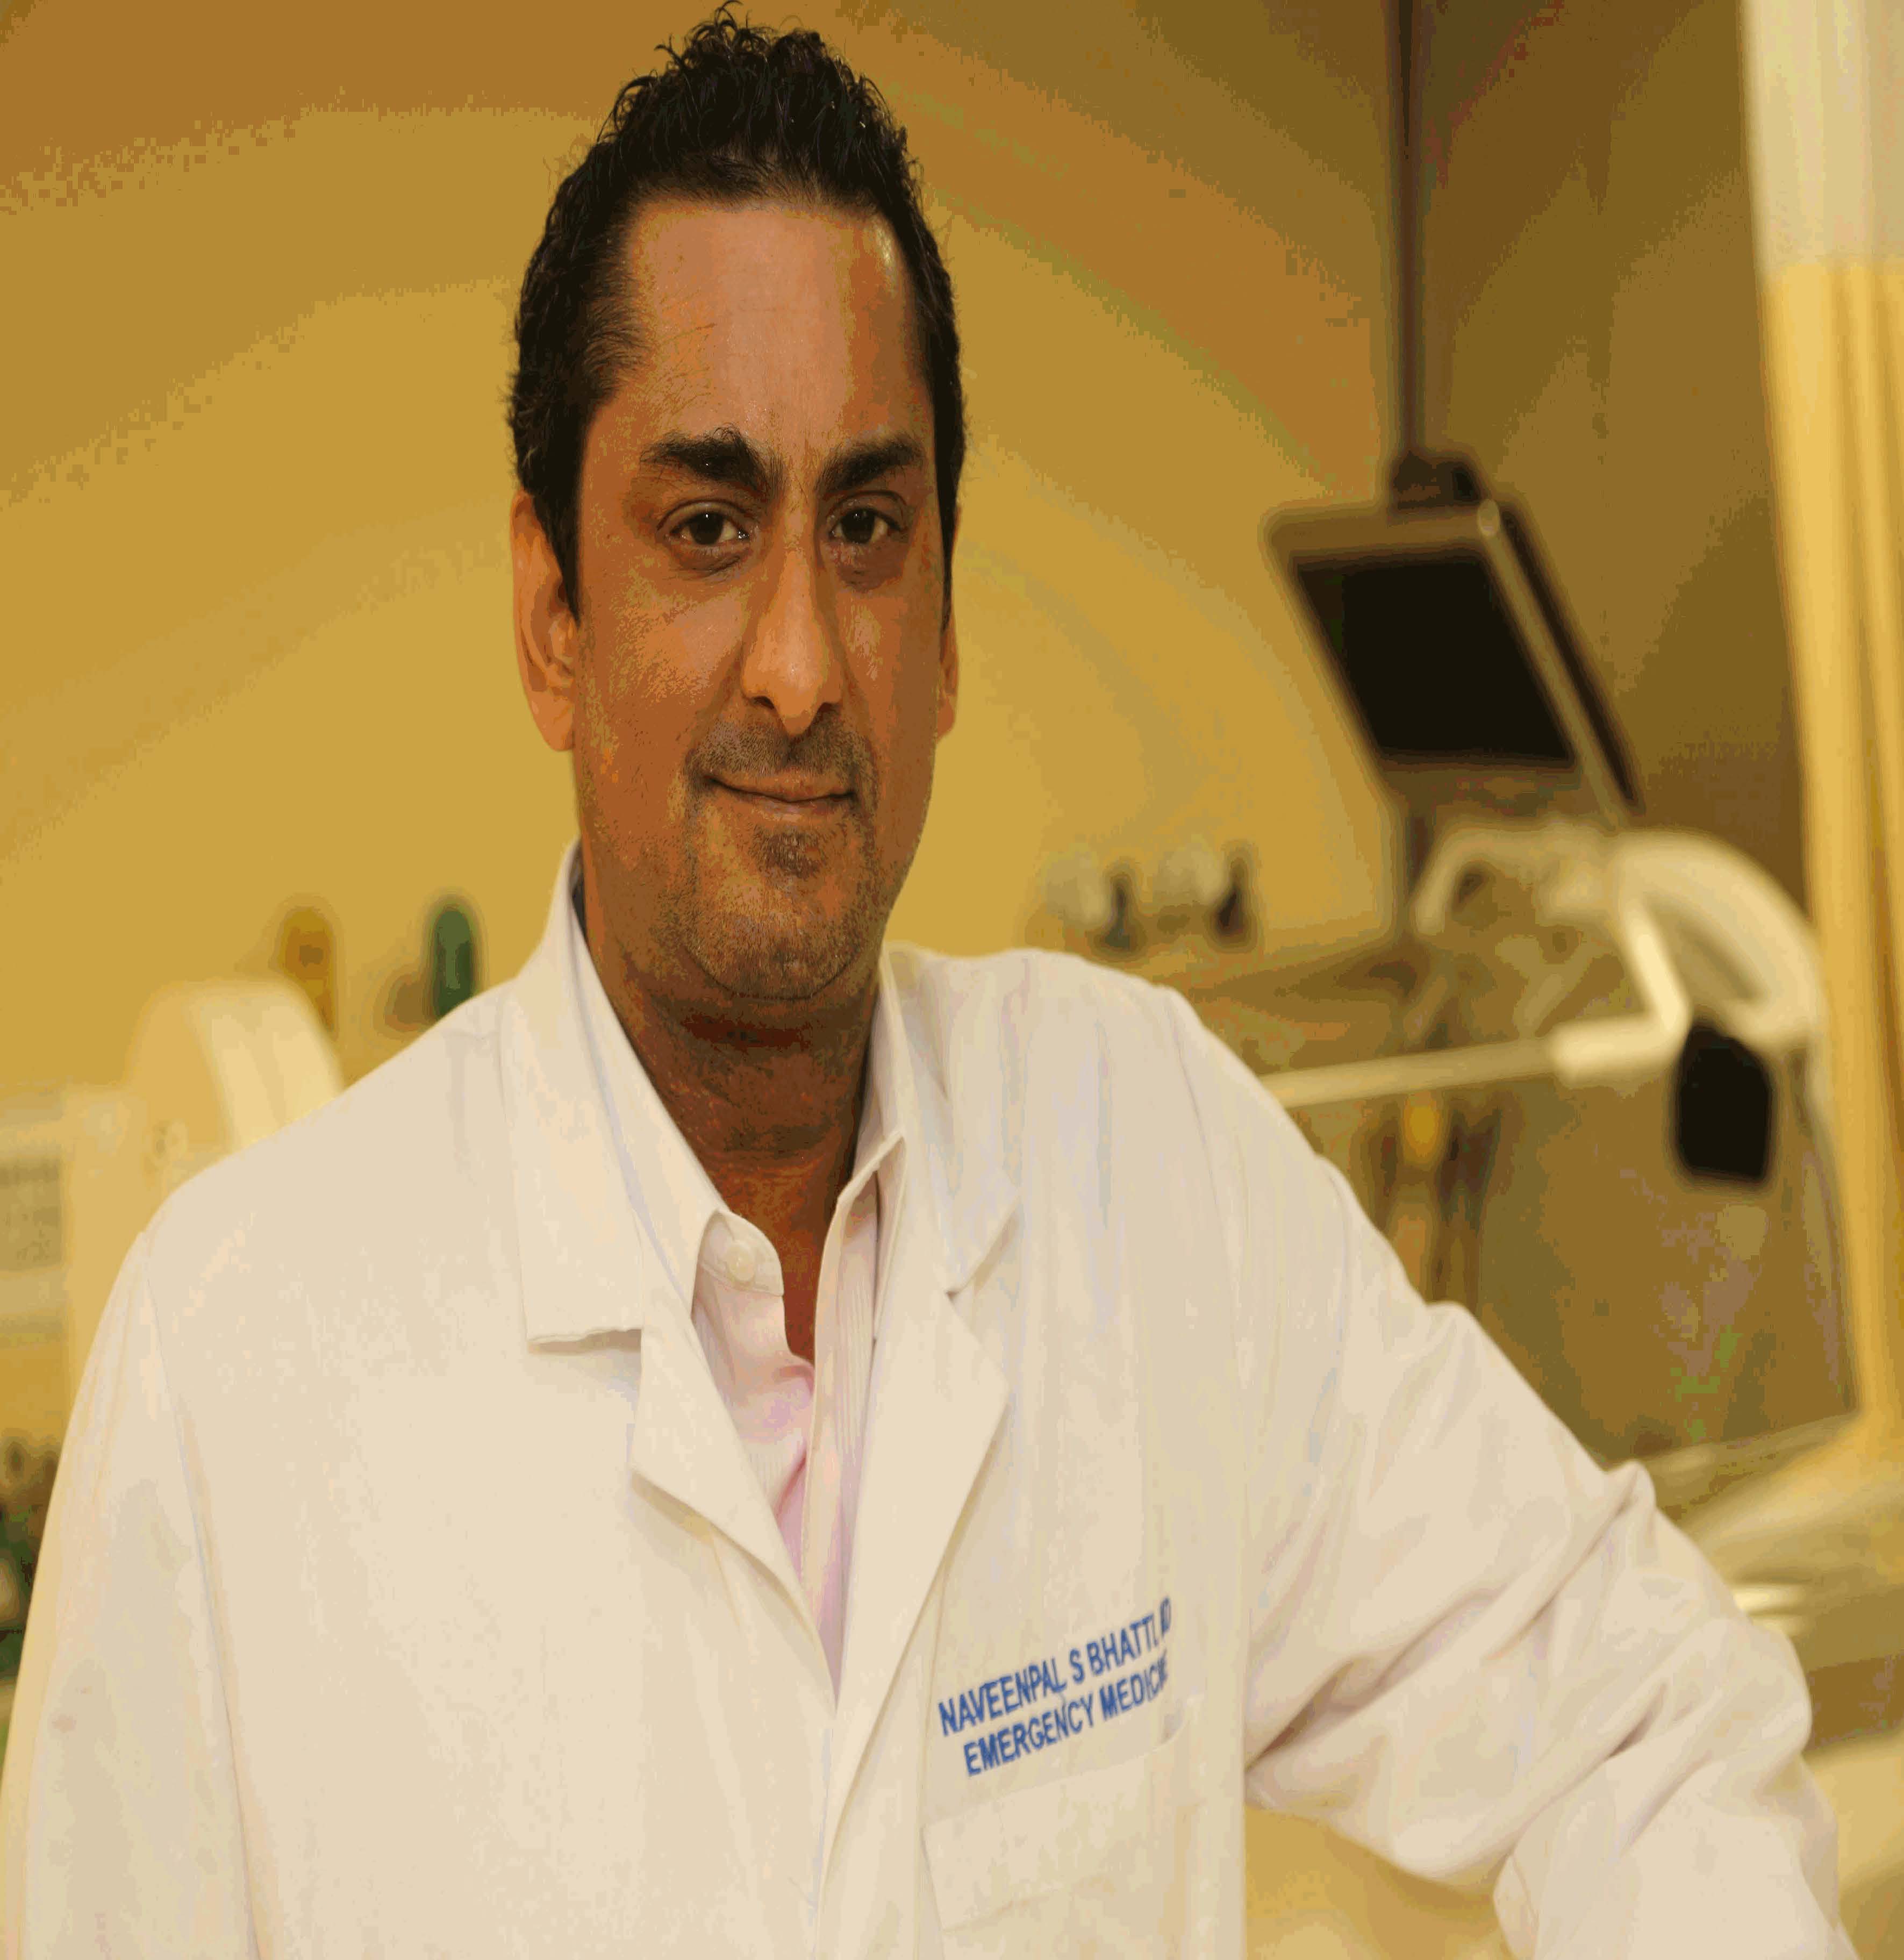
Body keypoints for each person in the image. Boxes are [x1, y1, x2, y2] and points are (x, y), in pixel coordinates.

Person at [0, 13, 1853, 1957]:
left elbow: (1636, 1713)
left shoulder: (1149, 1157)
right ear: (552, 618)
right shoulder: (238, 1361)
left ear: (949, 627)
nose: (802, 664)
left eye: (869, 529)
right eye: (707, 529)